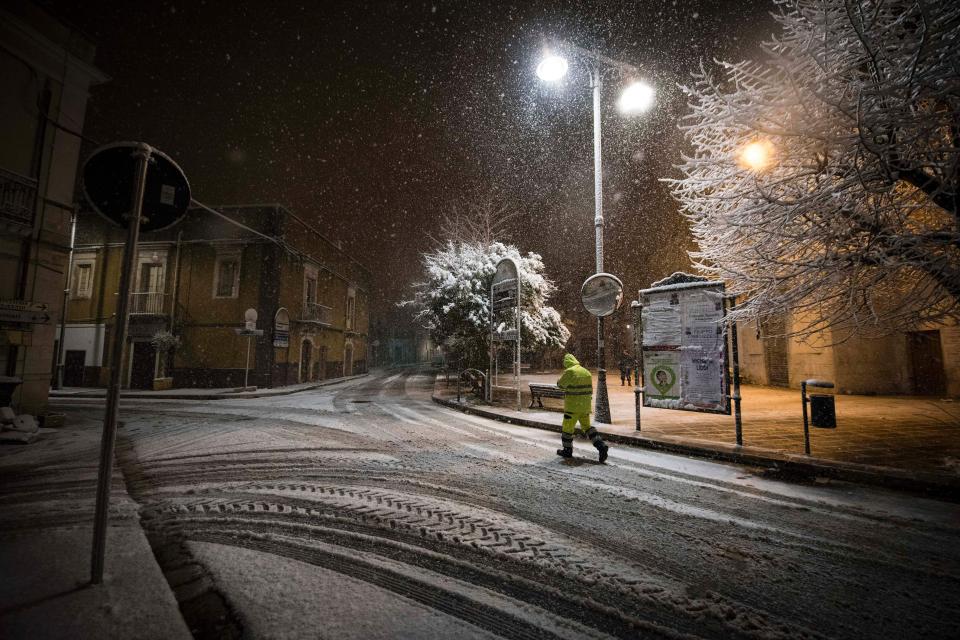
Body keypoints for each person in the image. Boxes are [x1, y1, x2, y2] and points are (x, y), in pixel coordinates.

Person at [555, 353, 609, 462]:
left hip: (572, 407)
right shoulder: (586, 372)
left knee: (567, 429)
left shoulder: (570, 372)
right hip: (584, 407)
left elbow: (560, 385)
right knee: (587, 427)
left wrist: (558, 380)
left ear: (567, 362)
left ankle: (567, 450)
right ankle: (601, 445)